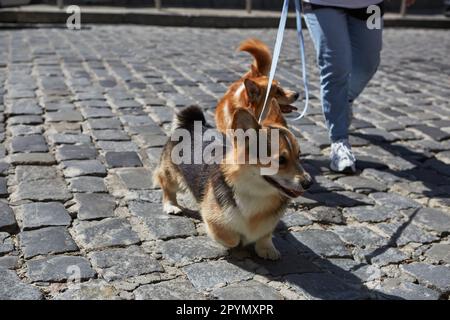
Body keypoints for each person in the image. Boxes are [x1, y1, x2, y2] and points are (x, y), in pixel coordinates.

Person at [302, 0, 415, 172]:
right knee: (335, 64)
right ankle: (339, 142)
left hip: (370, 5)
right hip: (323, 3)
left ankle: (344, 100)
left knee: (368, 63)